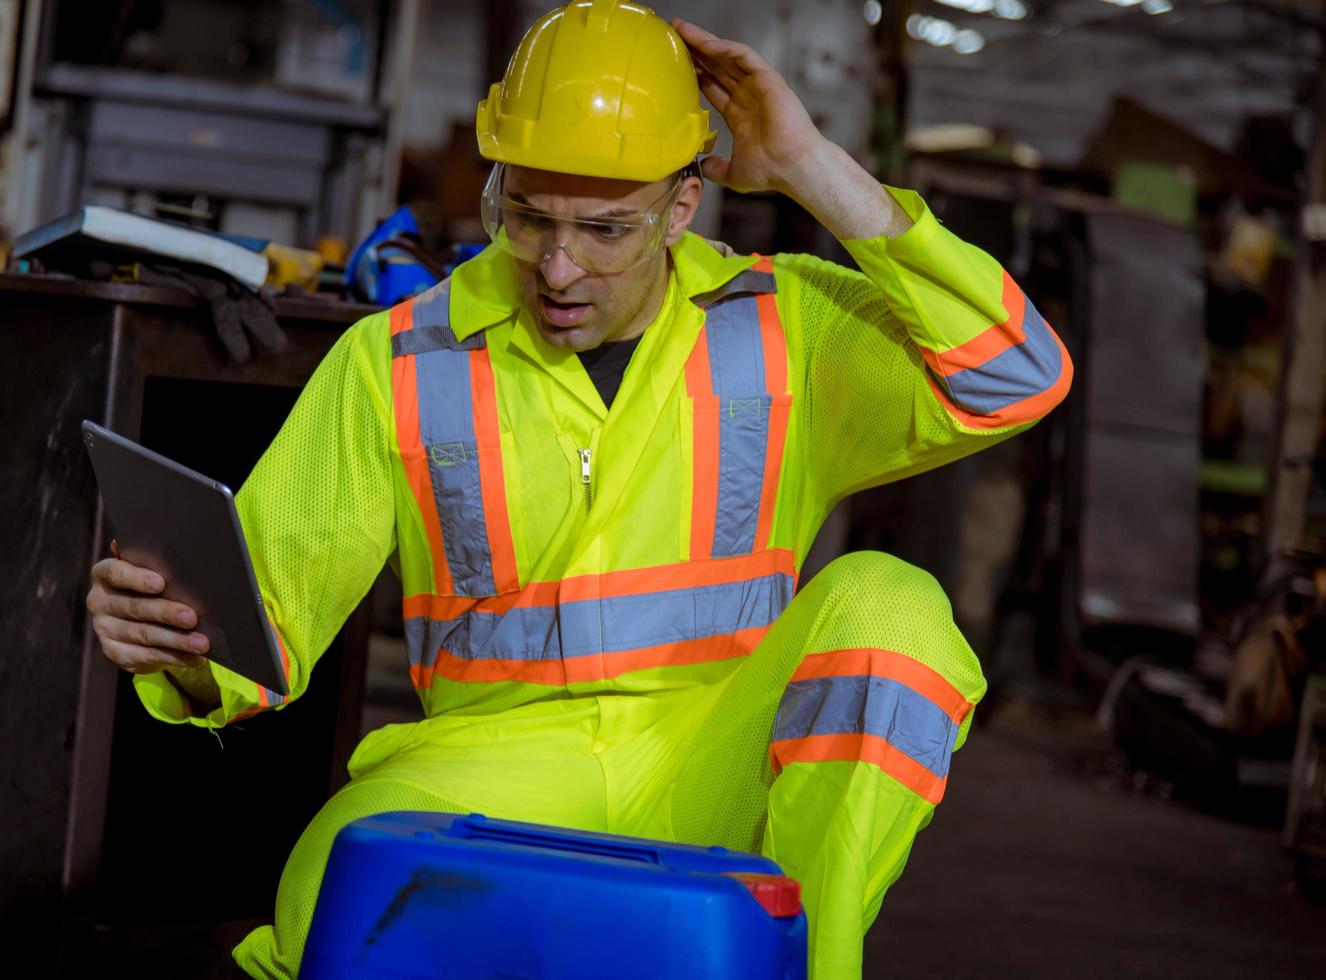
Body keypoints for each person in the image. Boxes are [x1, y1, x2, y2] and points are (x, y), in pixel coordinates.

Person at [85, 3, 1071, 977]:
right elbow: (264, 621)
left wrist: (812, 167)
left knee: (895, 610)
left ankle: (811, 966)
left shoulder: (790, 329)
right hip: (495, 762)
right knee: (328, 897)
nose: (559, 266)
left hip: (723, 756)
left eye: (606, 230)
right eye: (529, 217)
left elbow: (1016, 376)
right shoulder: (398, 358)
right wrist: (178, 642)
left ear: (682, 205)